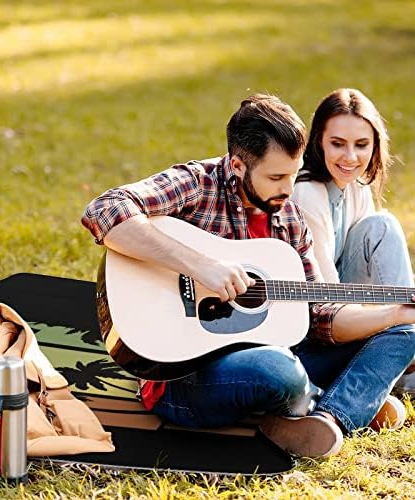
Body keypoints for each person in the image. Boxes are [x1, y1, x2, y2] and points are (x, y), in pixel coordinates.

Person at [82, 94, 415, 458]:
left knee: (405, 332)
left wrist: (392, 314)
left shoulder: (288, 217)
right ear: (238, 165)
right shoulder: (197, 183)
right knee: (278, 371)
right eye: (276, 177)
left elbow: (320, 314)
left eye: (293, 173)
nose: (288, 190)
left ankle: (330, 418)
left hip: (280, 353)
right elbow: (105, 209)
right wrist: (199, 264)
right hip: (184, 376)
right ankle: (347, 398)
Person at [291, 88, 415, 394]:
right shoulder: (308, 192)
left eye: (362, 145)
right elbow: (327, 301)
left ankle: (403, 352)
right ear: (319, 141)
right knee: (383, 225)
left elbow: (375, 280)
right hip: (316, 326)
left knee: (380, 225)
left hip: (351, 312)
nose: (350, 157)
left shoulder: (355, 185)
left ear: (375, 145)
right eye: (337, 144)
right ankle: (401, 359)